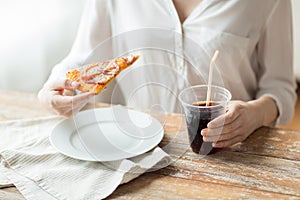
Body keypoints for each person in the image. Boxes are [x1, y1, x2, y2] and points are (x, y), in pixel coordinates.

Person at [38, 0, 297, 148]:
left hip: (232, 152)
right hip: (138, 149)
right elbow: (82, 61)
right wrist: (54, 87)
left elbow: (280, 88)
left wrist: (255, 114)